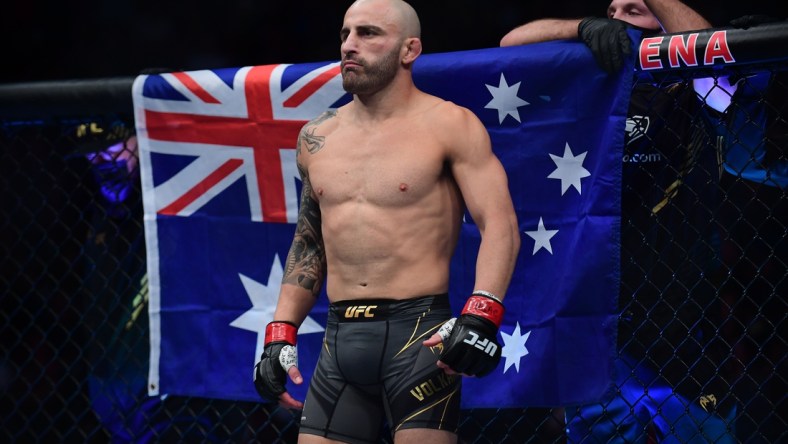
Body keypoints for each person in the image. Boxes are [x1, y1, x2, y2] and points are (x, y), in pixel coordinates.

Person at [252, 0, 521, 443]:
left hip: (419, 339)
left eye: (368, 33)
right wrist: (280, 332)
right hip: (340, 341)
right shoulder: (318, 136)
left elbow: (500, 223)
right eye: (345, 34)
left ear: (409, 50)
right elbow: (309, 241)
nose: (349, 46)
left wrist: (483, 313)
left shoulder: (450, 124)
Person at [502, 1, 738, 442]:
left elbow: (714, 54)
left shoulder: (695, 88)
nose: (619, 19)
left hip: (686, 322)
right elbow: (509, 46)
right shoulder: (588, 84)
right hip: (600, 324)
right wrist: (579, 25)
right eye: (612, 10)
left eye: (636, 10)